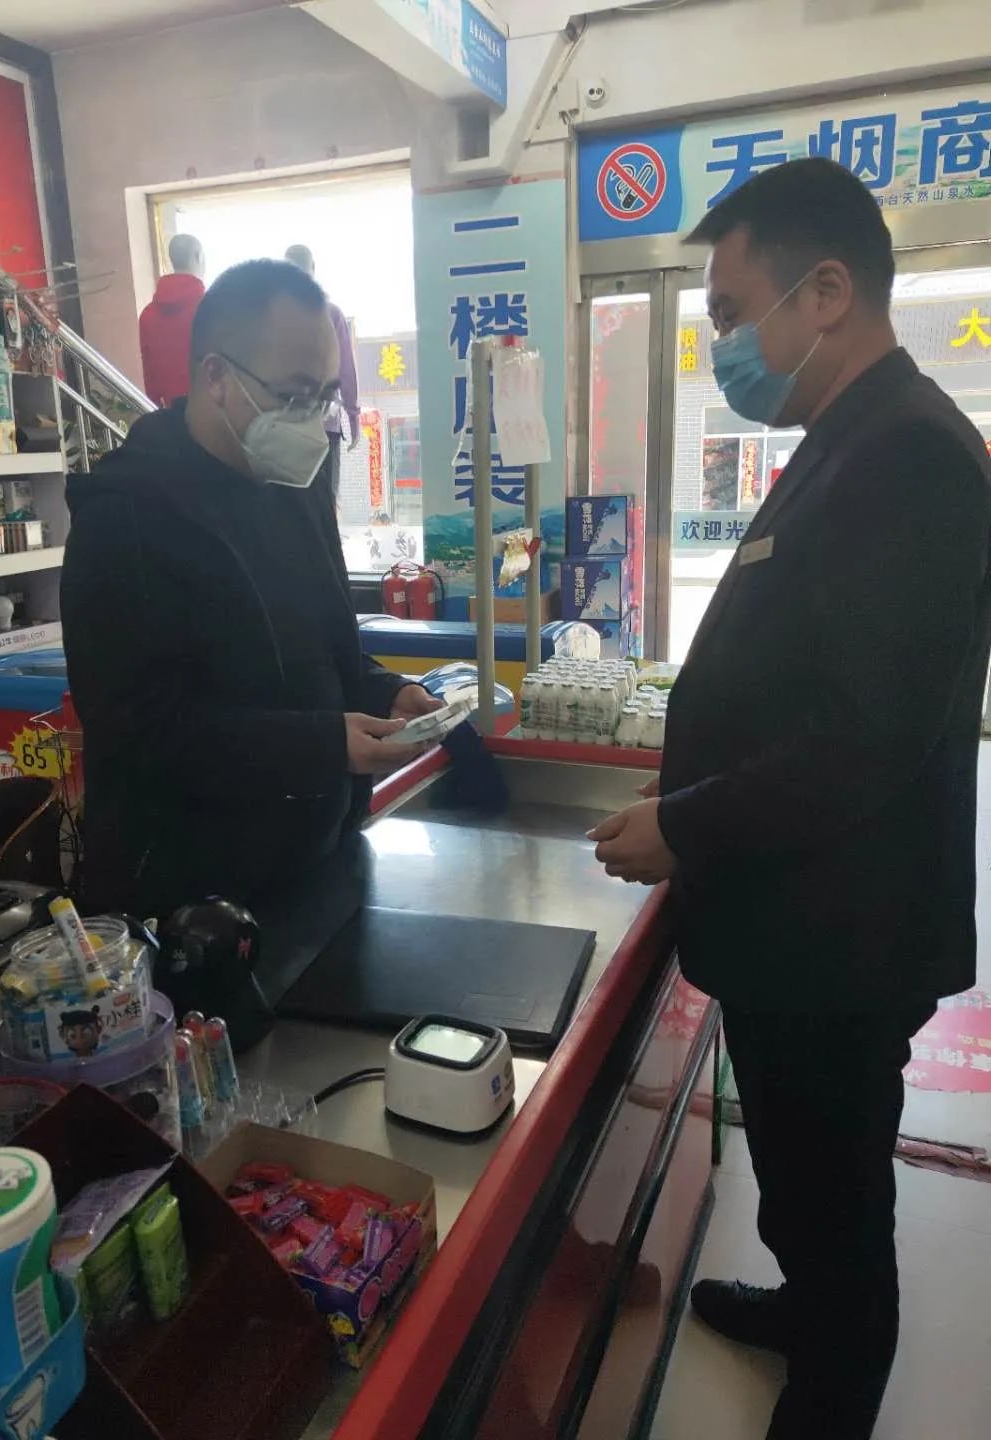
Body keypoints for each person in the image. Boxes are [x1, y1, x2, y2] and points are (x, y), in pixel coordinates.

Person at [589, 158, 991, 1440]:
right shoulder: (849, 435)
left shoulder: (911, 454)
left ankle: (831, 1392)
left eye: (727, 311)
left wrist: (684, 824)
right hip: (802, 915)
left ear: (826, 292)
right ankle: (807, 1307)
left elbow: (864, 740)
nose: (721, 342)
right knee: (804, 1172)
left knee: (836, 1191)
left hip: (843, 934)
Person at [62, 259, 440, 917]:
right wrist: (322, 746)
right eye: (294, 395)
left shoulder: (295, 487)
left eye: (324, 396)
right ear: (216, 377)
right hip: (189, 900)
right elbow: (139, 730)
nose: (311, 419)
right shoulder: (126, 514)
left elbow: (322, 650)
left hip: (315, 860)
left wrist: (385, 691)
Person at [285, 244, 360, 499]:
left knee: (293, 502)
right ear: (313, 269)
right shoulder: (331, 313)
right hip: (324, 424)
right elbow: (346, 371)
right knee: (326, 501)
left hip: (287, 426)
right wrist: (353, 417)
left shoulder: (273, 318)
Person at [138, 233, 206, 407]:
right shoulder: (210, 307)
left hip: (171, 410)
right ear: (198, 256)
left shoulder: (148, 315)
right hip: (212, 409)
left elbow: (149, 374)